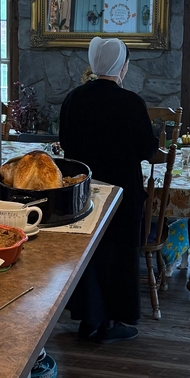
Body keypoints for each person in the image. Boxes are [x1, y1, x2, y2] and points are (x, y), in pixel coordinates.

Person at [59, 36, 158, 343]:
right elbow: (147, 149)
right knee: (119, 256)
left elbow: (66, 142)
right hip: (121, 193)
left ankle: (88, 320)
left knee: (88, 255)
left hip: (84, 189)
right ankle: (111, 324)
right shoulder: (131, 102)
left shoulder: (74, 98)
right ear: (122, 67)